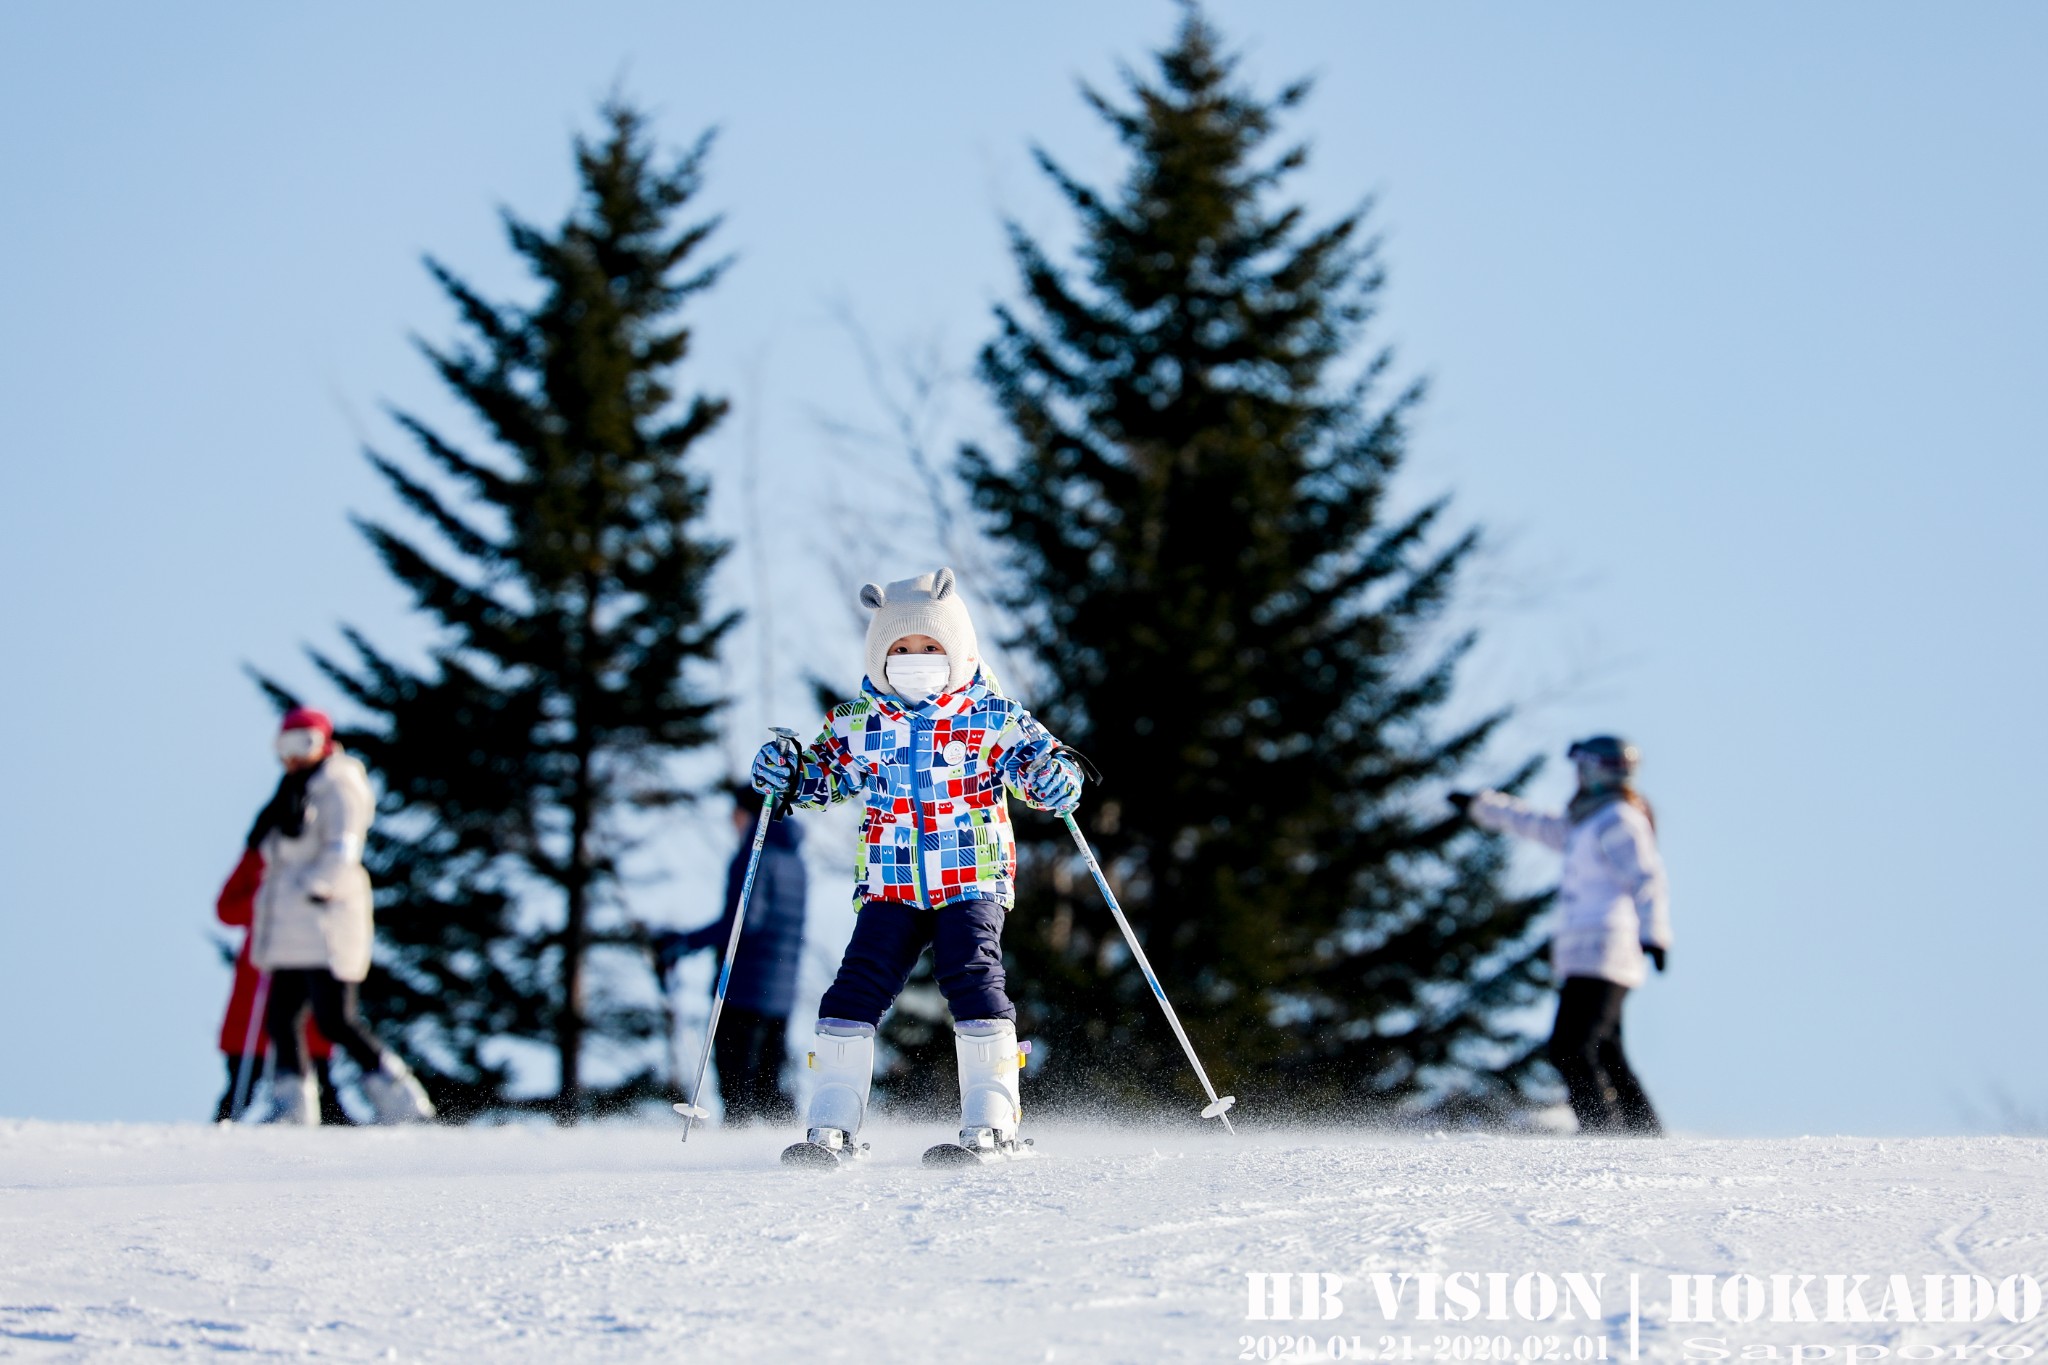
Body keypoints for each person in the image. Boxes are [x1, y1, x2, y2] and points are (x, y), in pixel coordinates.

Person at [752, 568, 1083, 1163]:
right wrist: (789, 775)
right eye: (900, 649)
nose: (915, 659)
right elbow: (822, 777)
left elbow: (1040, 762)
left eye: (930, 648)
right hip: (892, 882)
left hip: (970, 877)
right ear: (879, 656)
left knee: (971, 976)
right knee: (856, 986)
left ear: (957, 650)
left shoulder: (992, 717)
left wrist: (1056, 777)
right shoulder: (859, 723)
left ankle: (992, 1117)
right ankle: (833, 1120)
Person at [1451, 736, 1672, 1135]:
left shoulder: (1618, 819)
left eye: (1582, 768)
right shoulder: (1588, 821)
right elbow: (1536, 824)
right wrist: (1481, 806)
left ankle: (1602, 1134)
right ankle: (1643, 1137)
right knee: (1605, 1050)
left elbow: (1646, 876)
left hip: (1605, 948)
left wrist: (1653, 932)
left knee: (1571, 1046)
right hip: (1586, 952)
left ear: (1597, 770)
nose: (1577, 776)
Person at [247, 706, 435, 1125]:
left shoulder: (338, 783)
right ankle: (292, 1108)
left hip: (327, 922)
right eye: (285, 747)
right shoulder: (291, 792)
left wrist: (315, 888)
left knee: (335, 1019)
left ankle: (401, 1099)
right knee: (280, 1020)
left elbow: (342, 850)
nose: (293, 756)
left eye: (303, 745)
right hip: (291, 929)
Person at [652, 783, 808, 1124]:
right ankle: (789, 1147)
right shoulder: (794, 860)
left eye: (735, 812)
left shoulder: (754, 856)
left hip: (743, 989)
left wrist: (683, 944)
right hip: (781, 991)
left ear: (750, 813)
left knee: (738, 1087)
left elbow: (743, 922)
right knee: (769, 1085)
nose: (730, 820)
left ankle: (737, 1158)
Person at [213, 845, 351, 1124]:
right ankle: (212, 1152)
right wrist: (269, 896)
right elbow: (227, 910)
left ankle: (352, 1153)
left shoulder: (324, 856)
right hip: (258, 988)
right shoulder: (262, 856)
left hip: (305, 972)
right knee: (240, 1088)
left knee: (320, 1085)